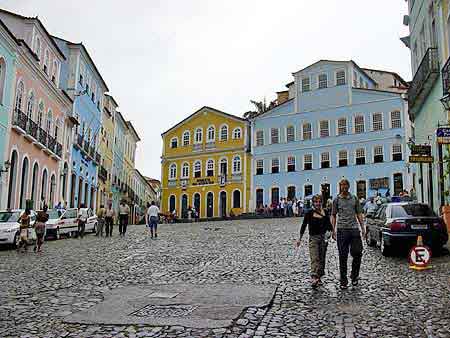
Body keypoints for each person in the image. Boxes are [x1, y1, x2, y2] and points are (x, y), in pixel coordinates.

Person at [331, 179, 366, 289]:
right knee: (343, 256)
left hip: (354, 229)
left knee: (358, 253)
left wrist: (363, 228)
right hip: (342, 230)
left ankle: (354, 276)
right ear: (340, 187)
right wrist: (333, 230)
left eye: (346, 185)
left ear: (349, 186)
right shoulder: (336, 200)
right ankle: (343, 280)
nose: (344, 187)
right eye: (342, 185)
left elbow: (359, 213)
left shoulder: (354, 198)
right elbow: (333, 215)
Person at [296, 195, 332, 288]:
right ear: (313, 203)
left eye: (319, 201)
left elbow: (329, 225)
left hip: (324, 238)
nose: (318, 203)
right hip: (313, 238)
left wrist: (331, 233)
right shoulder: (309, 213)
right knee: (314, 257)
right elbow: (304, 225)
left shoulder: (325, 212)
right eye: (316, 202)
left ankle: (319, 277)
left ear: (322, 202)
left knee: (322, 258)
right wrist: (299, 239)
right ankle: (314, 276)